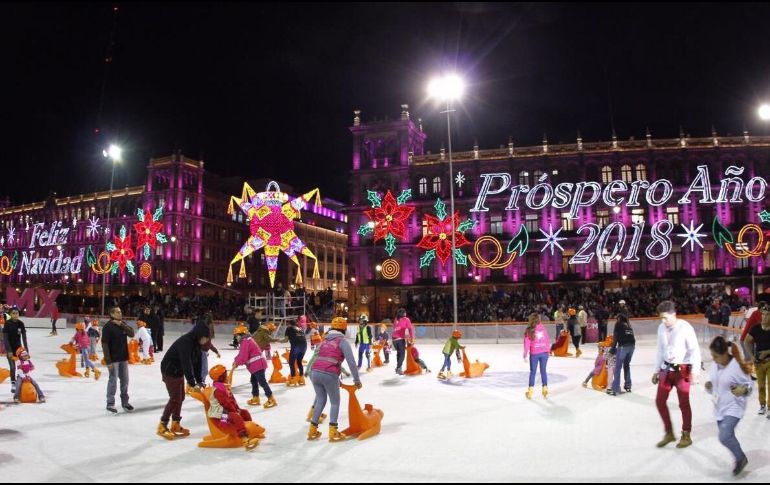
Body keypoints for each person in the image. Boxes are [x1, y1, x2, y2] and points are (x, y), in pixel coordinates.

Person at [653, 300, 702, 449]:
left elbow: (694, 350)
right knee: (659, 401)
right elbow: (660, 350)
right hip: (666, 370)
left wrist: (695, 372)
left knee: (683, 403)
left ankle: (686, 434)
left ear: (674, 314)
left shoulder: (685, 327)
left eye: (665, 317)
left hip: (682, 370)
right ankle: (669, 433)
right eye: (661, 318)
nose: (663, 321)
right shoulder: (661, 328)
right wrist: (656, 370)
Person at [307, 317, 361, 442]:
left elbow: (319, 357)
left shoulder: (324, 340)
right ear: (344, 328)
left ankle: (312, 430)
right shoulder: (342, 341)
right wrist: (357, 380)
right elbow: (351, 362)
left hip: (315, 372)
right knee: (335, 402)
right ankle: (333, 432)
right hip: (329, 373)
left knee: (320, 400)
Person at [705, 336, 753, 476]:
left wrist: (743, 390)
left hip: (734, 406)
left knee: (724, 436)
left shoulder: (736, 366)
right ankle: (739, 458)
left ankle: (741, 458)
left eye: (716, 356)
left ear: (725, 353)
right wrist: (709, 386)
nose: (713, 359)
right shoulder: (715, 365)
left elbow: (749, 385)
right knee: (727, 436)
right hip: (720, 407)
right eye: (712, 356)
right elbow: (715, 383)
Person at [157, 319, 211, 440]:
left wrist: (199, 380)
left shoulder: (197, 344)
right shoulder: (185, 342)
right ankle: (162, 425)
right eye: (205, 337)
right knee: (175, 398)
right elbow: (186, 362)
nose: (206, 340)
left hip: (178, 371)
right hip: (169, 370)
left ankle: (175, 423)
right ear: (199, 334)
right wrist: (192, 383)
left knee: (180, 397)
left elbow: (197, 364)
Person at [207, 365, 260, 451]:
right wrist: (235, 411)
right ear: (220, 377)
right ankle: (245, 438)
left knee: (244, 412)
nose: (227, 376)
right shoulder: (218, 390)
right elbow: (225, 404)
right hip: (220, 414)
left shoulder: (223, 387)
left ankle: (250, 430)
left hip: (227, 410)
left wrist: (237, 409)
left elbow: (231, 400)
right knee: (236, 417)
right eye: (225, 375)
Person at [101, 307, 135, 414]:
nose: (120, 313)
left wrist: (121, 324)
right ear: (112, 313)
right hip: (113, 359)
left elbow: (132, 333)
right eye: (118, 312)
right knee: (113, 381)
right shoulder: (107, 327)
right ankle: (110, 403)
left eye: (120, 311)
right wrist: (108, 361)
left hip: (123, 358)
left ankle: (125, 402)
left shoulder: (122, 324)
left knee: (125, 381)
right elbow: (105, 345)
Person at [234, 325, 276, 409]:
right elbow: (241, 354)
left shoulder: (245, 341)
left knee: (262, 382)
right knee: (253, 380)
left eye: (237, 335)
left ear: (242, 334)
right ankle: (255, 397)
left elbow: (243, 356)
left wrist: (237, 363)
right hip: (256, 365)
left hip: (258, 365)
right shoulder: (246, 340)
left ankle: (271, 398)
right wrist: (235, 361)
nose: (236, 338)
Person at [744, 305, 770, 416]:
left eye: (767, 315)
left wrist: (767, 352)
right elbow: (747, 342)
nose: (764, 317)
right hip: (759, 362)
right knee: (761, 385)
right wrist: (752, 356)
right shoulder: (755, 328)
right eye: (763, 314)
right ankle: (762, 404)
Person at [523, 313, 551, 399]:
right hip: (544, 353)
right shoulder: (542, 328)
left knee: (533, 372)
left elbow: (527, 343)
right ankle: (545, 388)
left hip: (534, 354)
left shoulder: (529, 330)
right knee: (543, 371)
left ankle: (530, 391)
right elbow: (547, 340)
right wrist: (548, 351)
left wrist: (525, 354)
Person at [608, 314, 636, 395]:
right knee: (626, 365)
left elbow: (615, 337)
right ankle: (628, 386)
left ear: (619, 318)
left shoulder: (618, 324)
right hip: (632, 347)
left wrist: (612, 348)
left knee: (618, 367)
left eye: (616, 319)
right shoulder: (628, 325)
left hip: (623, 347)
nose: (616, 320)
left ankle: (615, 388)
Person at [3, 307, 29, 395]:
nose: (15, 315)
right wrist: (9, 350)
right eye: (13, 313)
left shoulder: (21, 324)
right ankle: (13, 383)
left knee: (21, 368)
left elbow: (24, 338)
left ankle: (20, 382)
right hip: (10, 349)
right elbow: (5, 339)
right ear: (10, 314)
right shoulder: (7, 324)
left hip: (19, 350)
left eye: (17, 313)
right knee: (13, 367)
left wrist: (26, 350)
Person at [285, 318, 308, 387]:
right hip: (304, 346)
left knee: (291, 362)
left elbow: (285, 340)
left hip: (296, 346)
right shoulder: (300, 328)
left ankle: (293, 378)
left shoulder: (289, 328)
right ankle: (301, 378)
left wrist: (276, 340)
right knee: (299, 362)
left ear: (289, 324)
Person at [392, 308, 415, 375]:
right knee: (402, 354)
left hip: (394, 339)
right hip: (399, 339)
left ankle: (398, 368)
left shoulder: (396, 319)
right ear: (404, 313)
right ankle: (399, 368)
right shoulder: (406, 319)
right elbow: (410, 329)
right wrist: (412, 338)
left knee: (399, 353)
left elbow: (394, 328)